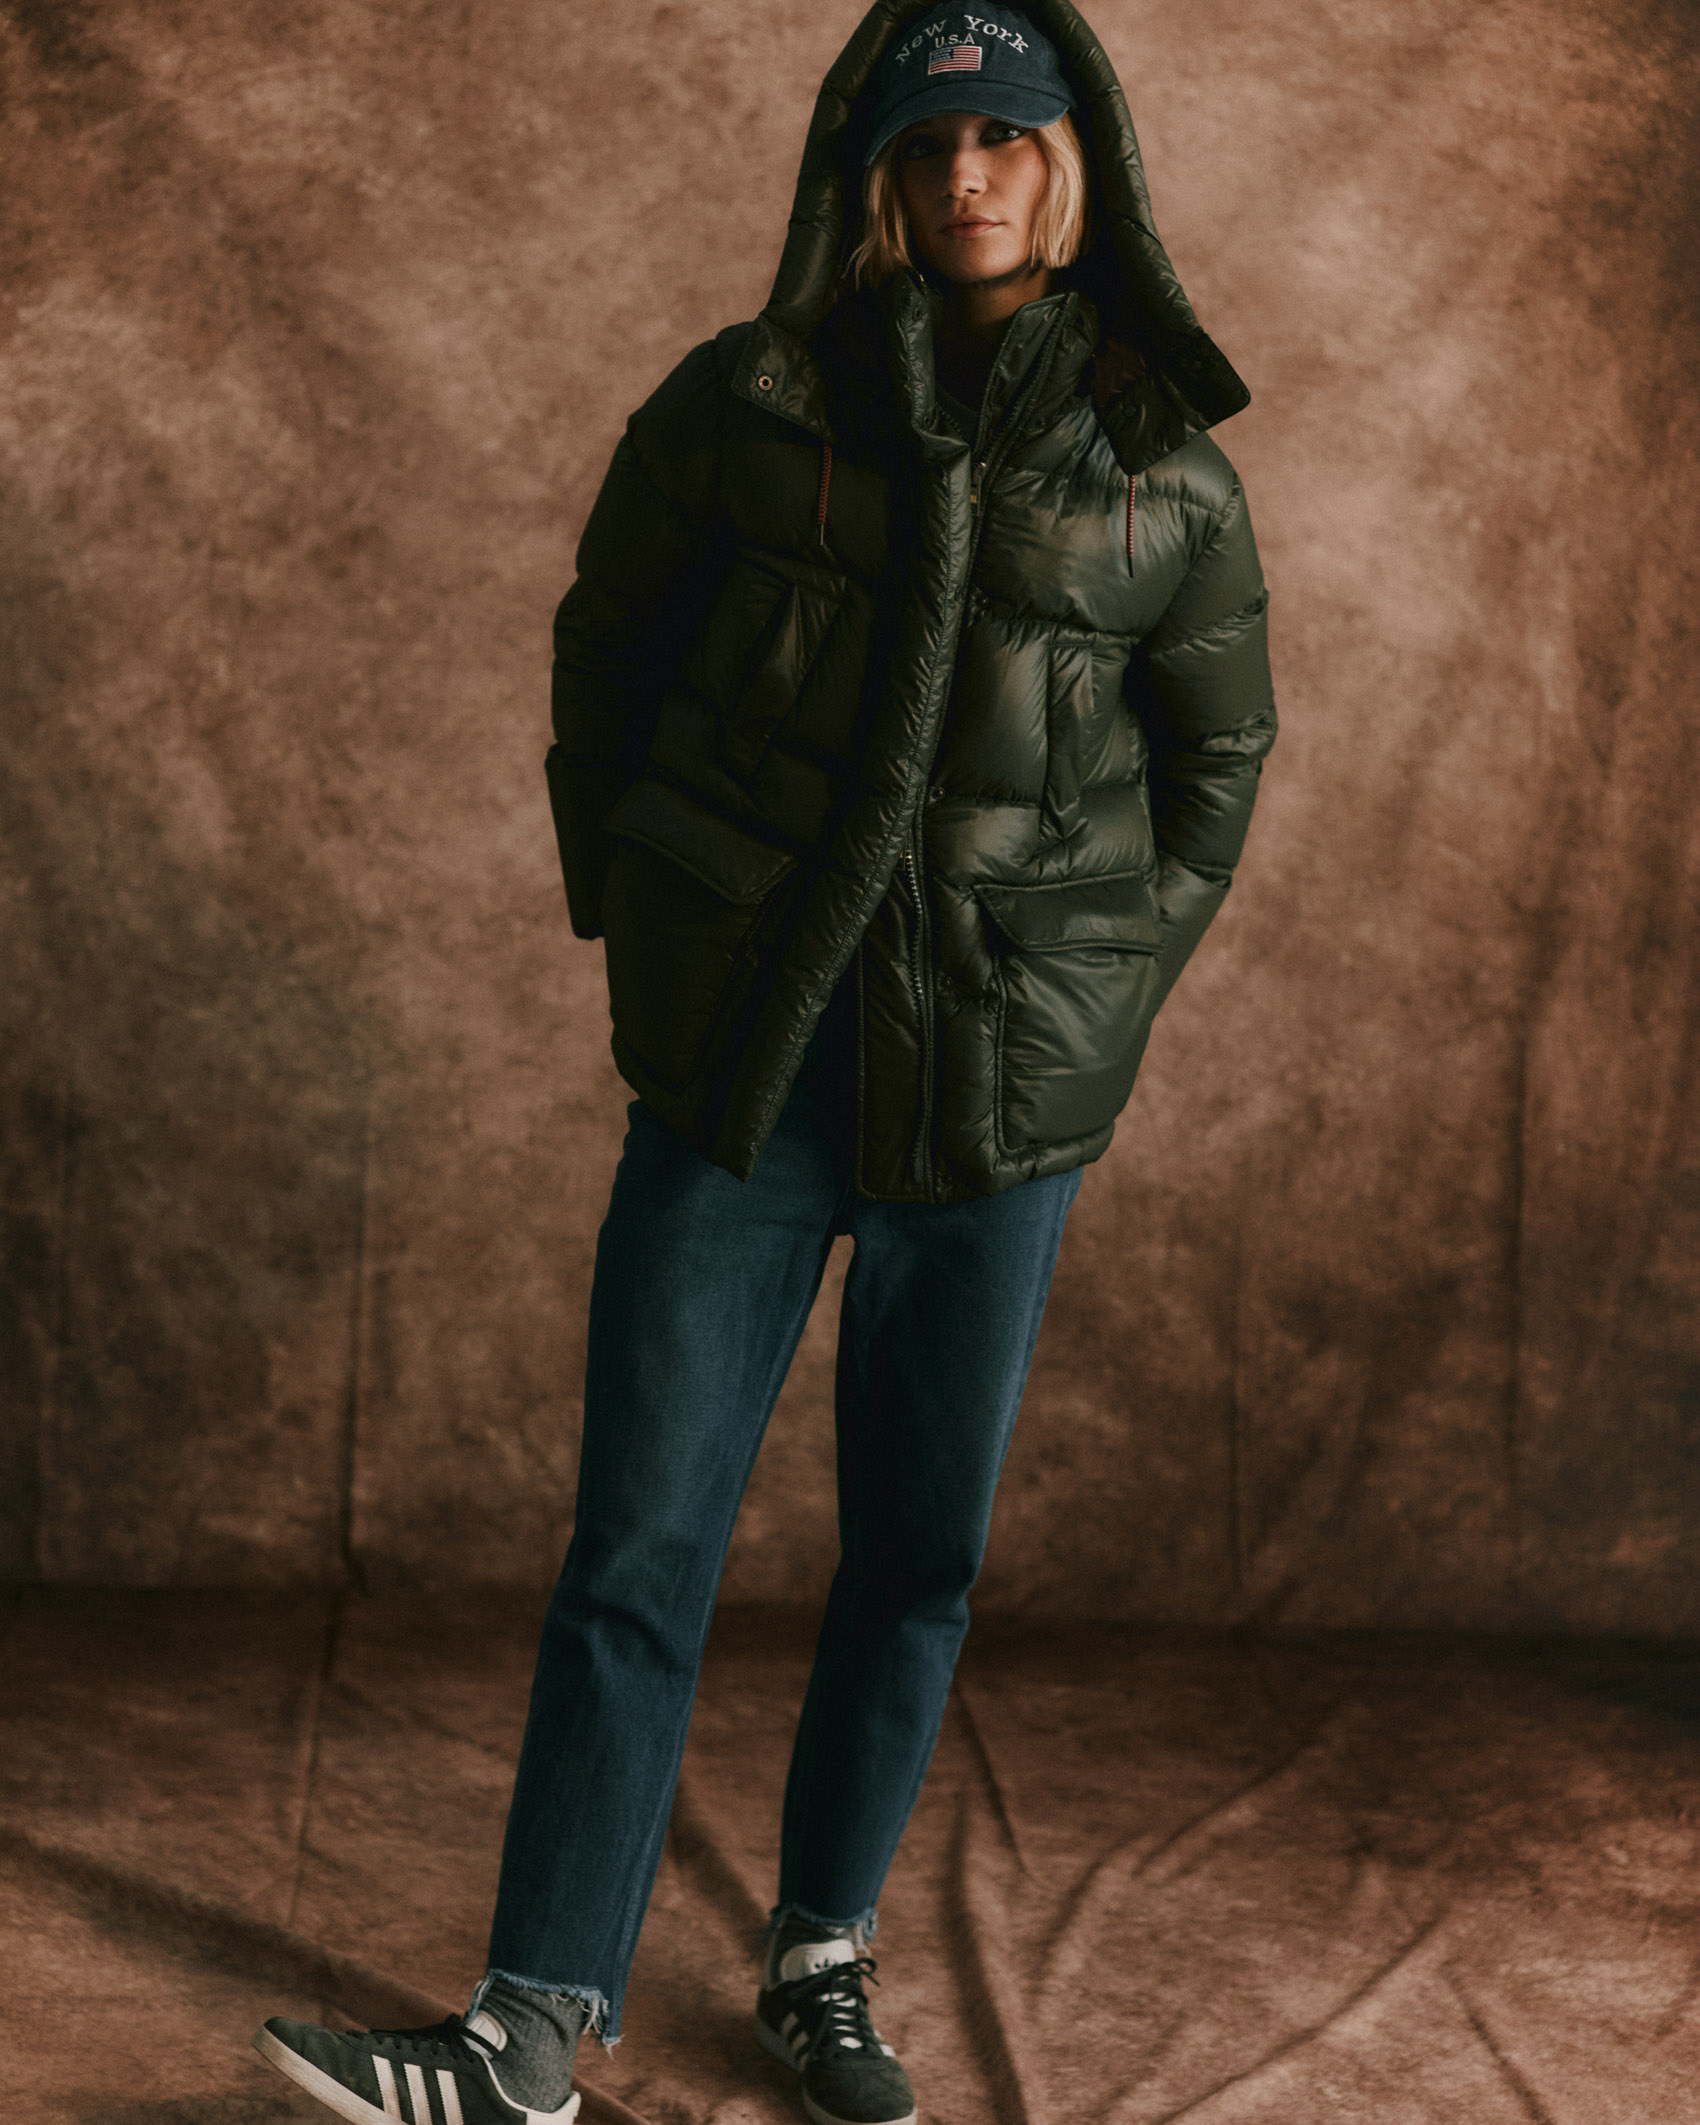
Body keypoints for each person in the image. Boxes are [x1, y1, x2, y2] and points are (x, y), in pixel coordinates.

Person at [252, 4, 1276, 2122]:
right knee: (638, 1538)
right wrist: (646, 910)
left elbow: (1219, 760)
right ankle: (531, 2024)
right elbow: (606, 640)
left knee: (916, 1555)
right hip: (751, 1075)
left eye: (1007, 137)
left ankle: (821, 1951)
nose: (967, 175)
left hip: (997, 1100)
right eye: (928, 142)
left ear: (1073, 167)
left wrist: (1090, 995)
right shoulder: (750, 399)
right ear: (872, 174)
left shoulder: (1160, 461)